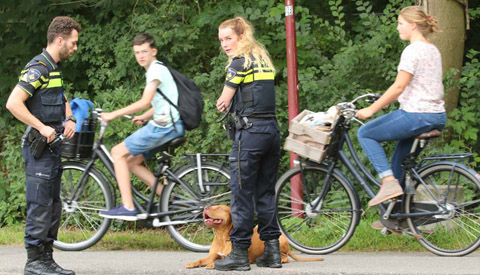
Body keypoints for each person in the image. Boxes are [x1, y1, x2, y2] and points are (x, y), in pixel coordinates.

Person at [6, 16, 81, 275]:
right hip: (40, 147)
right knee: (39, 205)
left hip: (54, 147)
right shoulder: (38, 67)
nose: (75, 47)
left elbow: (61, 96)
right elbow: (14, 103)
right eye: (73, 42)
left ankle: (47, 260)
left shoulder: (54, 67)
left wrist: (69, 116)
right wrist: (41, 126)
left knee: (53, 205)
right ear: (59, 40)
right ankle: (34, 263)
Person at [356, 6, 447, 208]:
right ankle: (396, 216)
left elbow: (399, 86)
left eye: (401, 23)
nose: (398, 28)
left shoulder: (412, 50)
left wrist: (371, 110)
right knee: (399, 162)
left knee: (365, 133)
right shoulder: (432, 49)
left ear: (413, 25)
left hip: (417, 114)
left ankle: (388, 183)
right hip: (436, 116)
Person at [214, 17, 282, 271]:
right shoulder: (263, 62)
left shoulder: (239, 64)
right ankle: (272, 252)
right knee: (265, 193)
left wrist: (222, 103)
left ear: (242, 37)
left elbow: (224, 100)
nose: (224, 44)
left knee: (241, 194)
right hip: (272, 133)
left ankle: (240, 253)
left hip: (250, 135)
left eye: (228, 38)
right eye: (221, 40)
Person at [99, 33, 184, 221]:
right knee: (131, 162)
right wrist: (143, 118)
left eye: (144, 51)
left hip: (164, 127)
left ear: (154, 51)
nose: (140, 56)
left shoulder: (155, 70)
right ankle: (167, 197)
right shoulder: (157, 69)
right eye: (137, 52)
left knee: (117, 152)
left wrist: (113, 114)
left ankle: (128, 207)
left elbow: (145, 102)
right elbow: (161, 104)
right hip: (169, 124)